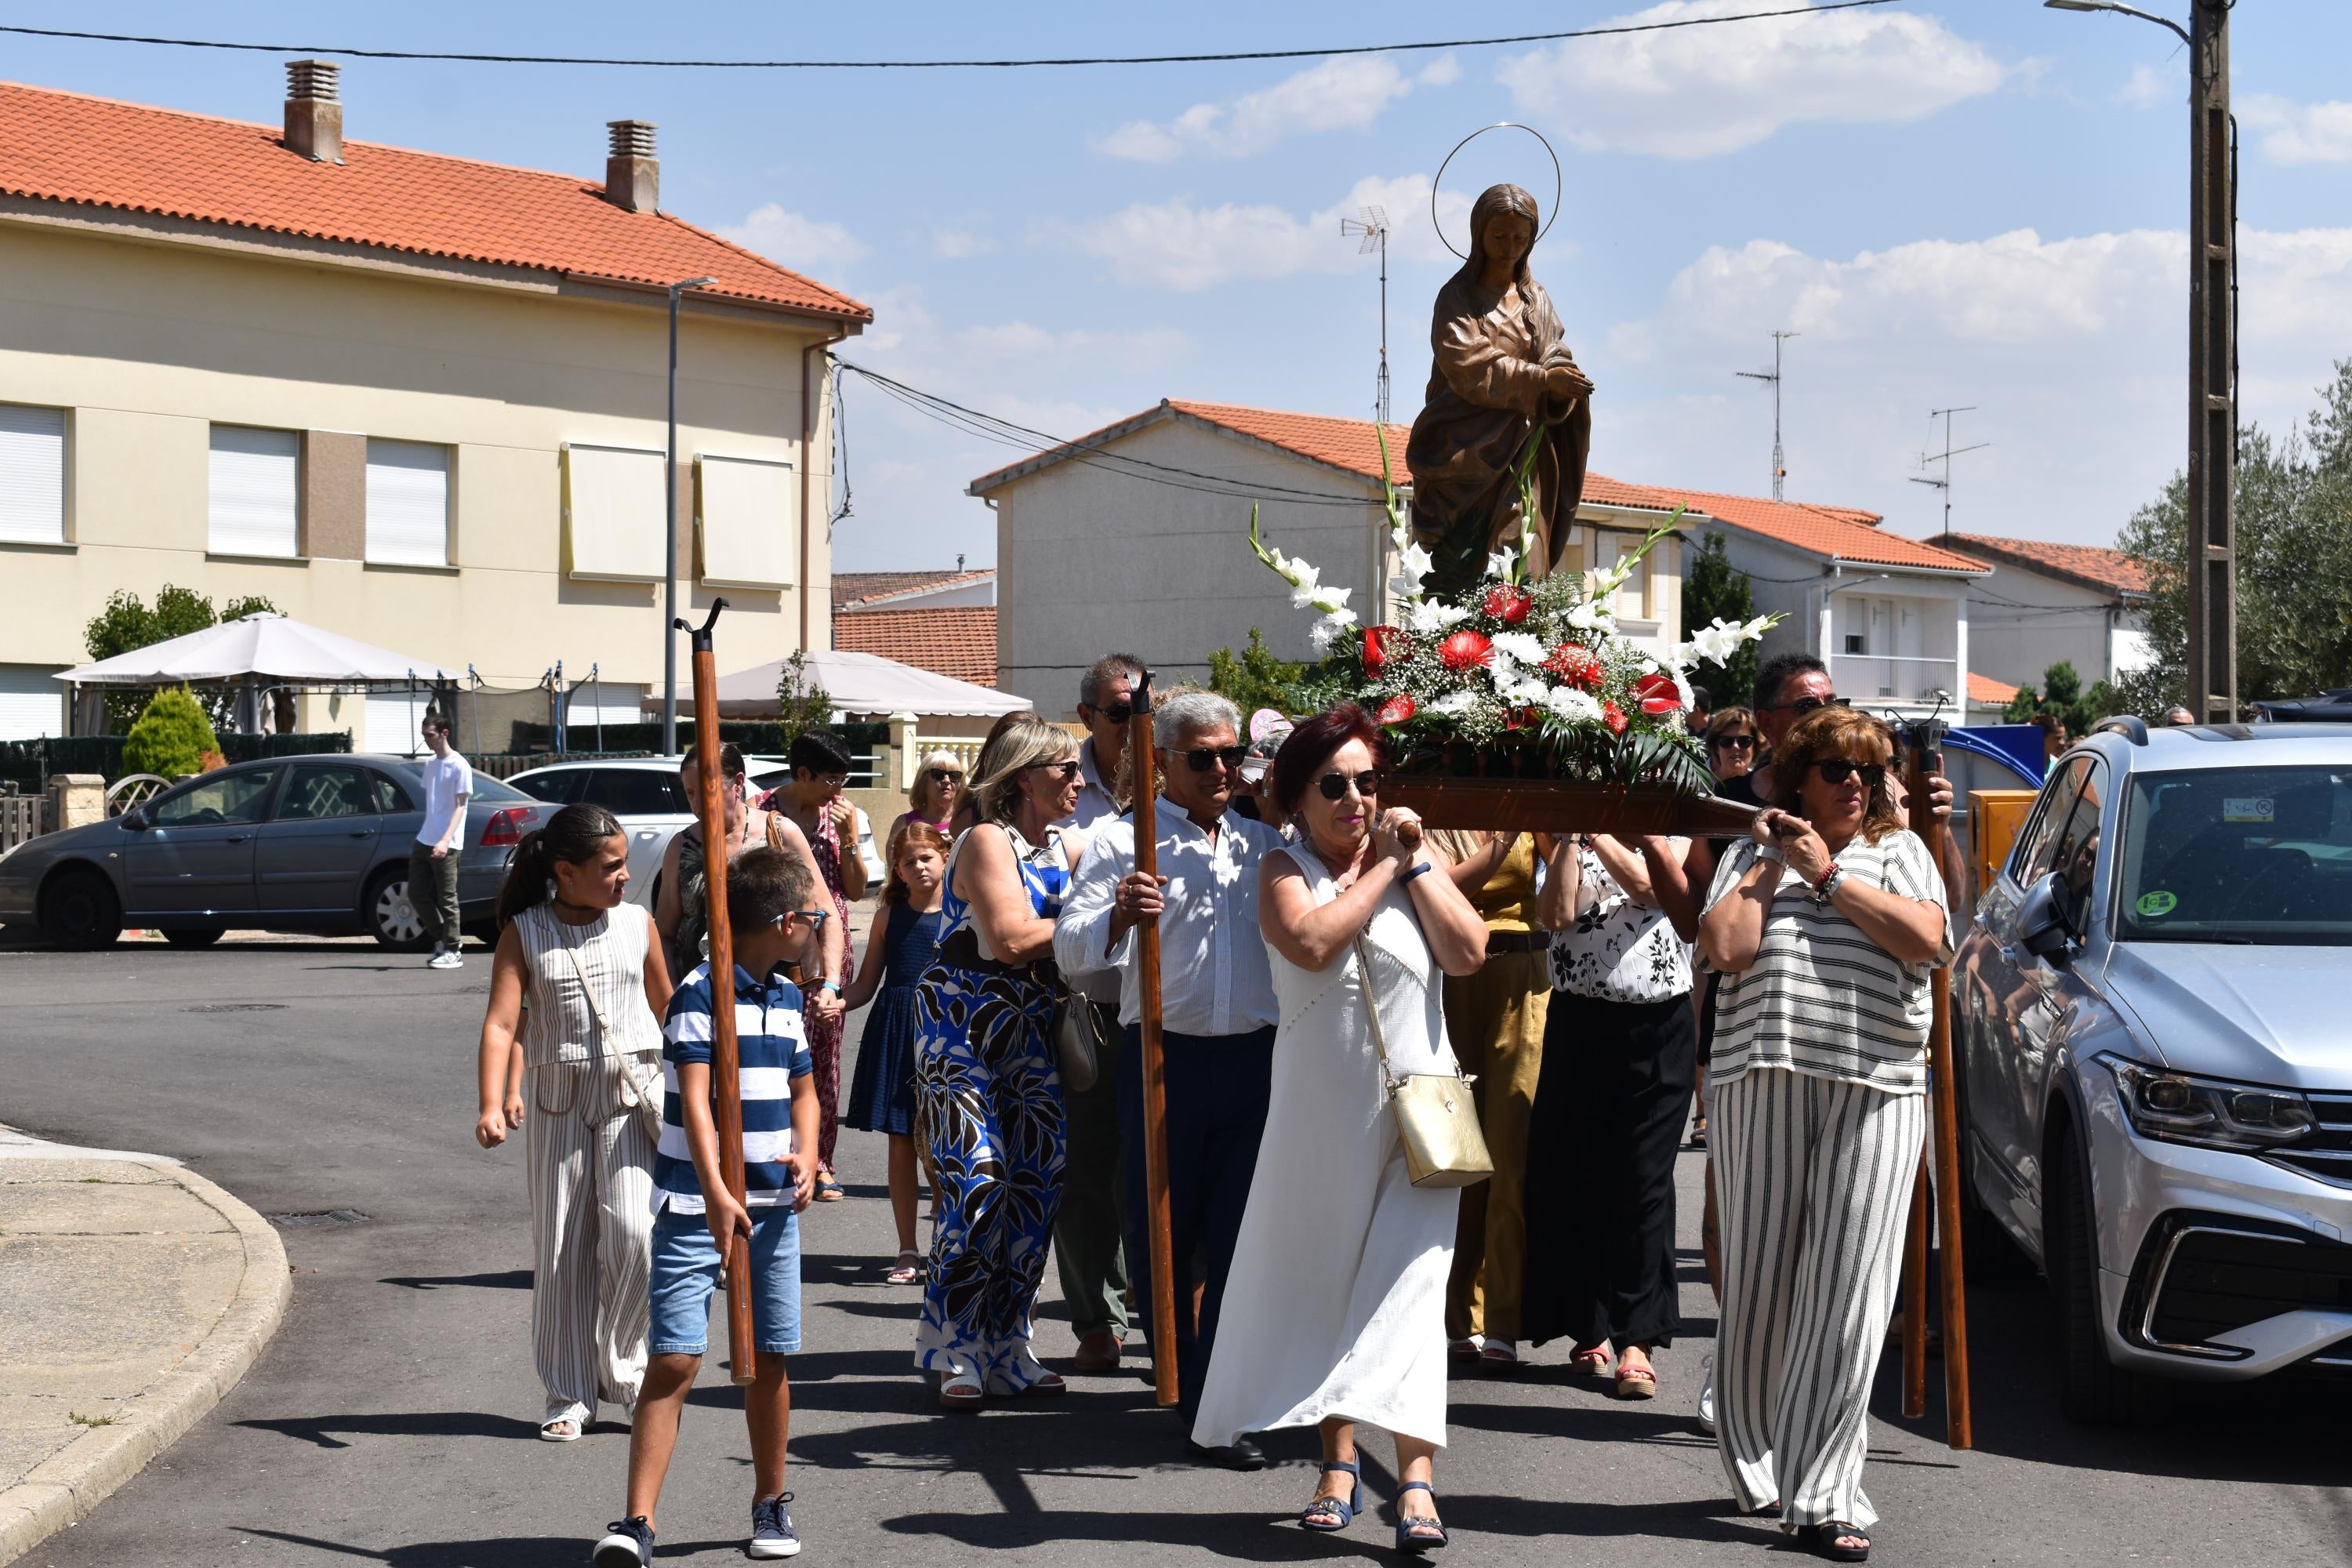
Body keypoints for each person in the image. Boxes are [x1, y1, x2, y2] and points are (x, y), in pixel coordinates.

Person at [1193, 706, 1488, 1552]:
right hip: (1322, 1115)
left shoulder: (1409, 862)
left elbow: (1468, 951)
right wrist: (1386, 867)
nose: (1356, 797)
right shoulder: (1281, 867)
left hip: (1420, 1118)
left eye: (1367, 780)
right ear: (1297, 796)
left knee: (1410, 1294)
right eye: (1335, 783)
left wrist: (1416, 862)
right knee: (1334, 1288)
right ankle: (1338, 1461)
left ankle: (1420, 1479)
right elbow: (1313, 941)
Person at [1697, 706, 1953, 1563]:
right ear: (1798, 778)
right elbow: (1726, 949)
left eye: (1870, 770)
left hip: (1878, 1086)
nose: (1856, 783)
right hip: (1759, 1079)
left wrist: (1832, 876)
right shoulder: (1747, 854)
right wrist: (1777, 863)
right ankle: (1757, 1451)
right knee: (1762, 1290)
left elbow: (1927, 940)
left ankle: (1826, 1492)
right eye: (1837, 768)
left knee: (1852, 1299)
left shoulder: (1904, 852)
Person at [1056, 691, 1285, 1466]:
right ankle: (1189, 1387)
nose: (1221, 769)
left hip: (1254, 1058)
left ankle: (1219, 1398)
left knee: (1239, 1239)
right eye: (1202, 757)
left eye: (1231, 754)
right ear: (1163, 762)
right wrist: (1117, 915)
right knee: (1161, 1232)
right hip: (1161, 1059)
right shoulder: (1123, 842)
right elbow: (1069, 950)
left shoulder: (1263, 843)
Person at [593, 846, 823, 1568]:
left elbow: (803, 1091)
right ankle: (636, 1521)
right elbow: (693, 1107)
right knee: (677, 1359)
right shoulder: (699, 996)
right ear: (786, 923)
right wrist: (717, 1191)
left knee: (770, 1358)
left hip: (771, 1208)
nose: (818, 927)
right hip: (697, 1203)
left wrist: (807, 1154)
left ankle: (770, 1502)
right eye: (813, 918)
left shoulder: (787, 1000)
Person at [474, 803, 670, 1443]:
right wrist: (489, 1102)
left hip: (631, 1101)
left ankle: (626, 1370)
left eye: (624, 865)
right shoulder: (523, 932)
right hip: (559, 1103)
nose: (623, 876)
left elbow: (671, 1012)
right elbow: (503, 1023)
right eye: (611, 866)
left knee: (635, 1237)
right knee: (561, 1250)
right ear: (565, 870)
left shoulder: (639, 924)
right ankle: (568, 1392)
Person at [912, 713, 1085, 1407]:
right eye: (1063, 769)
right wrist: (1100, 925)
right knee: (977, 1180)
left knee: (1039, 1180)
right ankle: (954, 1343)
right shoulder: (986, 840)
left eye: (1077, 768)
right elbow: (1012, 938)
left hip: (1033, 1027)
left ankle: (1011, 1343)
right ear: (1021, 780)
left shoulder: (1067, 849)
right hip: (960, 1027)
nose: (1078, 779)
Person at [1523, 830, 1695, 1399]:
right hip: (1580, 1020)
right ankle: (1591, 1328)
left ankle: (1638, 1339)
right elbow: (1555, 914)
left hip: (1657, 1024)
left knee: (1644, 1181)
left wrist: (1602, 833)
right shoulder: (1568, 840)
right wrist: (1572, 840)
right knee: (1583, 1173)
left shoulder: (1666, 831)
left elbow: (1650, 890)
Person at [1405, 181, 1595, 599]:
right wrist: (1543, 380)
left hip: (1522, 452)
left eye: (1520, 237)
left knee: (1521, 554)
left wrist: (1563, 379)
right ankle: (1459, 652)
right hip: (1461, 453)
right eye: (1499, 236)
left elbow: (1553, 351)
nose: (1510, 246)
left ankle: (1520, 654)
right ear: (1479, 235)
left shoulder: (1535, 299)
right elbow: (1468, 364)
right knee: (1456, 571)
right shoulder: (1457, 298)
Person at [1427, 826, 1552, 1373]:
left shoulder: (1532, 809)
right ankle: (1458, 1317)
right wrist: (1502, 841)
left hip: (1522, 976)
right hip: (1452, 977)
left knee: (1509, 1153)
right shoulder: (1439, 802)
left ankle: (1503, 1319)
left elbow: (1563, 888)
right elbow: (1440, 886)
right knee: (1455, 1152)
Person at [653, 745, 843, 1014]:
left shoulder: (781, 833)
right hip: (700, 1005)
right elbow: (664, 935)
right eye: (690, 794)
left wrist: (831, 986)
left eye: (707, 793)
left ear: (738, 783)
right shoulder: (680, 847)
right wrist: (672, 1000)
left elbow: (827, 913)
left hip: (772, 1005)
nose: (696, 806)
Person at [840, 822, 949, 1285]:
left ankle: (947, 1244)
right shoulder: (887, 916)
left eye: (927, 857)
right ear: (898, 871)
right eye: (909, 861)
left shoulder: (965, 909)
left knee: (946, 1146)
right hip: (899, 1029)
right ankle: (908, 1248)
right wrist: (836, 999)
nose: (919, 866)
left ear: (945, 856)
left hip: (948, 1030)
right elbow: (867, 983)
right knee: (902, 1143)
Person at [762, 729, 868, 1200]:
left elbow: (857, 890)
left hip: (827, 949)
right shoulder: (763, 812)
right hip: (777, 949)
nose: (839, 790)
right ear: (802, 773)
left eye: (845, 778)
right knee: (774, 1054)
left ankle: (820, 1160)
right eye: (831, 779)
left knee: (823, 1058)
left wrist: (849, 840)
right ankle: (772, 1155)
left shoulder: (839, 817)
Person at [412, 712, 472, 970]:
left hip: (448, 843)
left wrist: (445, 840)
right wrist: (429, 834)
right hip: (425, 838)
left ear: (444, 734)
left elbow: (460, 807)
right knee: (416, 894)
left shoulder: (460, 765)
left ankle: (453, 948)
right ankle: (442, 939)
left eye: (430, 735)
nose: (426, 739)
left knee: (447, 899)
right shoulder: (431, 764)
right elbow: (434, 804)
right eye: (424, 735)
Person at [894, 750, 967, 840]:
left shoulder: (967, 822)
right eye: (938, 774)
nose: (947, 780)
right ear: (923, 781)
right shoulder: (903, 824)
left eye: (954, 776)